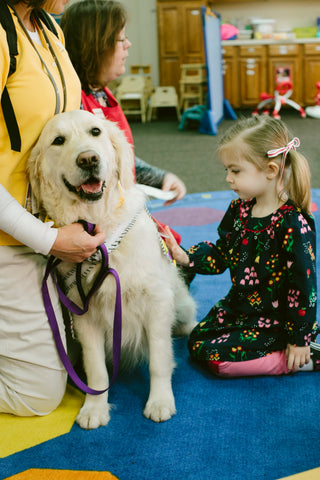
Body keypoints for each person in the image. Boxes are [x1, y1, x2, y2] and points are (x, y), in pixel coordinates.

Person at [0, 0, 106, 416]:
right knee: (38, 395)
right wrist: (48, 239)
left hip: (36, 229)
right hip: (14, 236)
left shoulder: (48, 29)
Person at [165, 115, 319, 378]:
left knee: (222, 365)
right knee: (199, 343)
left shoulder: (293, 223)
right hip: (242, 310)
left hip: (278, 321)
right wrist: (183, 256)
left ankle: (299, 358)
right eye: (227, 170)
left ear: (270, 171)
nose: (228, 178)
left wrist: (300, 338)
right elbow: (221, 254)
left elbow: (303, 287)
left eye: (235, 171)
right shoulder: (239, 209)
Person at [60, 0, 186, 207]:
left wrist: (161, 178)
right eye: (121, 39)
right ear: (96, 46)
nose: (128, 44)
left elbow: (118, 156)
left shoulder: (102, 93)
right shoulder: (74, 104)